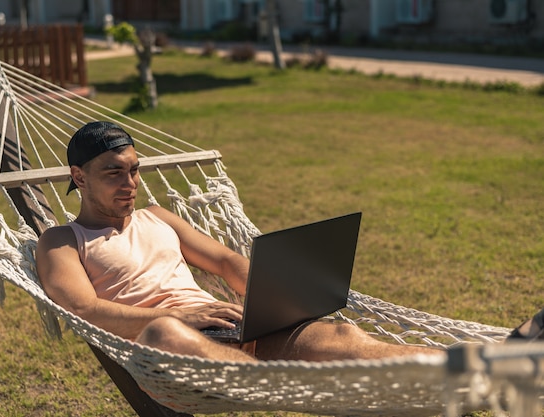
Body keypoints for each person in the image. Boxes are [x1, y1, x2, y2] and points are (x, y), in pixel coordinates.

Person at [35, 121, 541, 363]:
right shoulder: (62, 240)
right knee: (166, 334)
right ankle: (273, 377)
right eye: (113, 174)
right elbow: (83, 309)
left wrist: (274, 298)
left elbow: (229, 262)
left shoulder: (157, 216)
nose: (130, 184)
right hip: (165, 351)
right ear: (78, 177)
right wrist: (173, 318)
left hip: (237, 333)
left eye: (135, 171)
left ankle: (493, 359)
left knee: (341, 339)